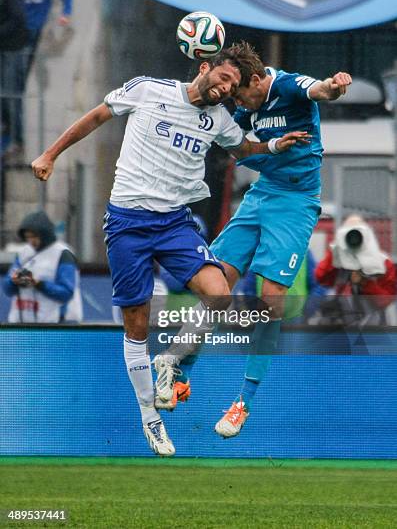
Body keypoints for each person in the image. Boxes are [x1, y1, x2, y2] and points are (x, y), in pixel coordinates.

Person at [31, 47, 309, 456]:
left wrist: (273, 147)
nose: (227, 87)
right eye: (225, 78)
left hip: (175, 223)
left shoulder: (218, 119)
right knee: (136, 325)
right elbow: (95, 116)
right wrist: (50, 154)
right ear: (204, 67)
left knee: (219, 294)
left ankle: (170, 363)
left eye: (233, 84)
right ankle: (150, 418)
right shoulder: (147, 90)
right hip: (127, 222)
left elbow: (243, 150)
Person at [154, 42, 352, 438]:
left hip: (296, 202)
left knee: (272, 298)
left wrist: (334, 85)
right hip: (261, 195)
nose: (239, 101)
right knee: (216, 283)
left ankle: (242, 403)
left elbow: (320, 90)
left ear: (258, 79)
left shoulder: (290, 87)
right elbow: (239, 148)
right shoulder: (245, 107)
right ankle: (180, 373)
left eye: (242, 93)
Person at [315, 214, 396, 325]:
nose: (354, 236)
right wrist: (335, 251)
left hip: (373, 326)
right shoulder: (338, 257)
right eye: (349, 231)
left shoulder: (383, 262)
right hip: (341, 323)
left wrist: (364, 283)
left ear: (368, 234)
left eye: (358, 231)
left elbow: (387, 300)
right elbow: (321, 278)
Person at [3, 210, 83, 323]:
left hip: (56, 324)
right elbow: (7, 288)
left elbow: (66, 293)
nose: (31, 241)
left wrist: (39, 284)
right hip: (21, 323)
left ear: (45, 234)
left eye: (34, 236)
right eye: (28, 237)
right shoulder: (23, 253)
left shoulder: (62, 253)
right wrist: (14, 281)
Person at [0, 0, 28, 155]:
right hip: (4, 47)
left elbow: (17, 19)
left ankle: (17, 139)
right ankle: (8, 129)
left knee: (11, 95)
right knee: (4, 94)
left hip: (13, 50)